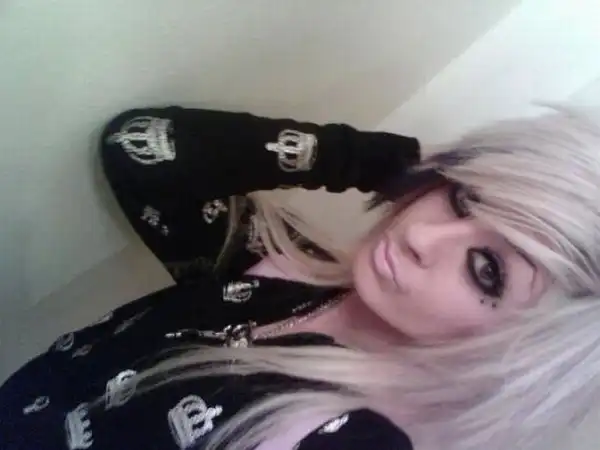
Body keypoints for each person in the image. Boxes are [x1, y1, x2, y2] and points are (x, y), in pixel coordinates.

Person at [1, 104, 599, 450]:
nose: (422, 234)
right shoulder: (288, 271)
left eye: (486, 271)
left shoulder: (353, 437)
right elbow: (143, 149)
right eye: (462, 199)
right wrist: (394, 165)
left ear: (529, 353)